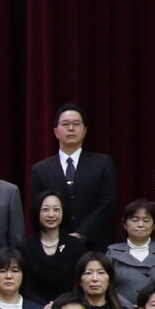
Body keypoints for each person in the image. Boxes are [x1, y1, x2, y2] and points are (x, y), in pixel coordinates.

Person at [32, 105, 119, 244]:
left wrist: (82, 234)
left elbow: (107, 204)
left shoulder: (103, 163)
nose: (71, 128)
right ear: (56, 132)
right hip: (55, 244)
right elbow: (38, 209)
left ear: (84, 131)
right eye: (65, 124)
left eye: (76, 124)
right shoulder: (40, 169)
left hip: (94, 244)